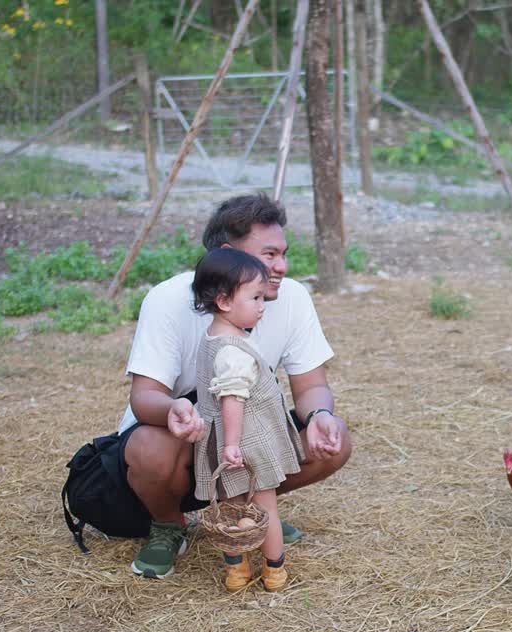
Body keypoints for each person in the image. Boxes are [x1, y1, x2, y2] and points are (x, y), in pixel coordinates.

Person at [71, 193, 351, 579]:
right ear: (226, 253)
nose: (282, 266)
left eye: (284, 254)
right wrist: (172, 410)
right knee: (152, 448)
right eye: (268, 255)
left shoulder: (294, 299)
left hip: (246, 431)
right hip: (184, 435)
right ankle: (168, 525)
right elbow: (144, 397)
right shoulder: (168, 299)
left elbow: (310, 387)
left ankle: (252, 512)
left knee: (332, 444)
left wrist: (320, 414)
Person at [190, 248, 303, 591]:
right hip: (244, 443)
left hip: (219, 443)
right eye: (255, 297)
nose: (261, 305)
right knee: (263, 507)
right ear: (224, 301)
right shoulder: (232, 353)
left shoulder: (213, 337)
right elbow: (232, 400)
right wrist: (234, 446)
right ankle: (274, 570)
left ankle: (236, 571)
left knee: (231, 510)